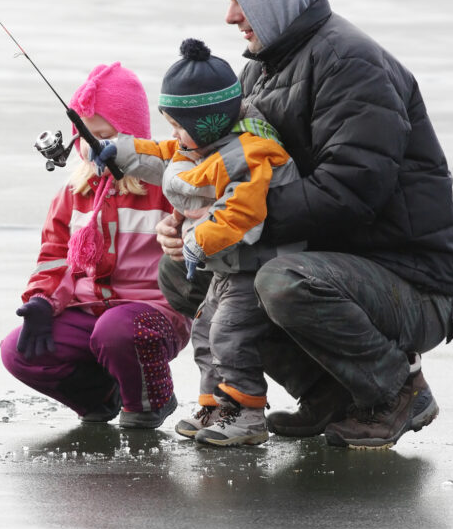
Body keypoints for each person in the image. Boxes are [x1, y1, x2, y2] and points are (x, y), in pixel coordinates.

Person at [156, 0, 453, 449]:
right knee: (183, 272)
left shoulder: (352, 64)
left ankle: (396, 389)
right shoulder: (258, 70)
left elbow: (351, 191)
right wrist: (190, 218)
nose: (230, 16)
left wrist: (231, 222)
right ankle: (328, 395)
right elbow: (221, 165)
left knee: (280, 281)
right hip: (324, 260)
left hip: (410, 280)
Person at [92, 37, 303, 446]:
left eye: (178, 125)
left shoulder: (250, 155)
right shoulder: (203, 145)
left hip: (255, 266)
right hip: (228, 267)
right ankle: (213, 406)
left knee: (230, 335)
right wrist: (116, 151)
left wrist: (196, 243)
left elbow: (241, 214)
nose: (174, 134)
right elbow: (160, 154)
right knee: (205, 332)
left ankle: (245, 413)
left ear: (208, 121)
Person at [0, 62, 191, 429]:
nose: (93, 147)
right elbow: (53, 257)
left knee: (116, 331)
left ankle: (151, 400)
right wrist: (42, 300)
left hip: (153, 313)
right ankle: (100, 396)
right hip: (89, 310)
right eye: (85, 137)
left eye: (104, 136)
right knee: (17, 351)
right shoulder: (73, 193)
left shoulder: (166, 186)